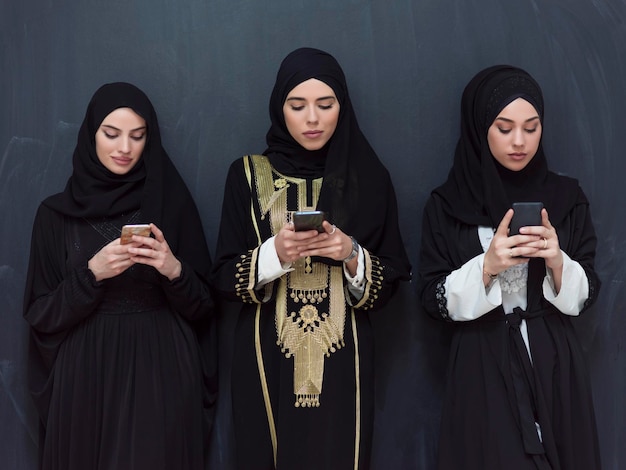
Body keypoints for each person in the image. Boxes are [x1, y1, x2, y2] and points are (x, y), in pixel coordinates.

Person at [210, 47, 411, 469]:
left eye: (326, 104)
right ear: (279, 107)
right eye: (297, 105)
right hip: (265, 359)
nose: (313, 119)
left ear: (343, 107)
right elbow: (223, 278)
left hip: (345, 361)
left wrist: (351, 253)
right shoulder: (247, 175)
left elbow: (393, 279)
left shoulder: (368, 179)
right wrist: (274, 254)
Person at [23, 82, 215, 470]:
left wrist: (172, 268)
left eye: (138, 136)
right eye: (111, 134)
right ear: (90, 133)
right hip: (85, 374)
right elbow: (40, 313)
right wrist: (92, 274)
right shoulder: (55, 215)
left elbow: (205, 307)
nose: (125, 148)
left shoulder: (170, 201)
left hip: (160, 370)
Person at [418, 65, 601, 469]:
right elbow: (430, 297)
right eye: (504, 128)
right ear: (480, 127)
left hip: (555, 359)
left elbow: (588, 292)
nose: (519, 142)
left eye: (531, 127)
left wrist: (556, 260)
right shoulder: (448, 205)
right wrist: (487, 267)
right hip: (481, 360)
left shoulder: (567, 198)